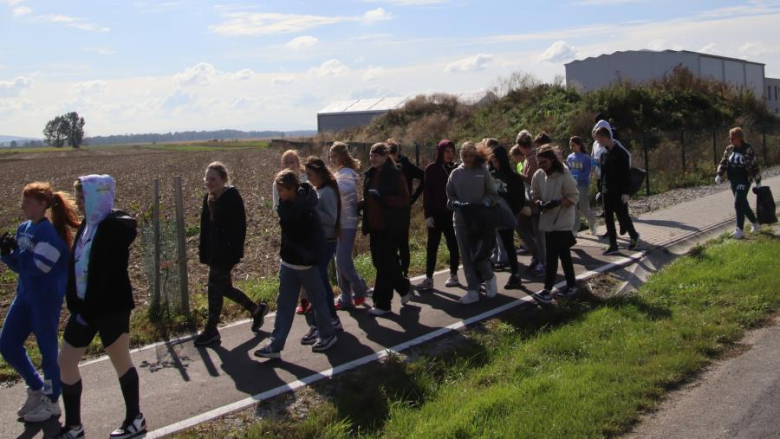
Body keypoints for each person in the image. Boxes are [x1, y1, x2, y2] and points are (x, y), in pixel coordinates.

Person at [57, 175, 145, 439]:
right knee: (65, 362)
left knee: (120, 362)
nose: (80, 203)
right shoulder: (87, 226)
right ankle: (74, 426)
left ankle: (135, 419)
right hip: (84, 311)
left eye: (84, 197)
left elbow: (106, 275)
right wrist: (75, 304)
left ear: (98, 196)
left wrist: (87, 307)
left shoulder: (112, 229)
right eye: (78, 197)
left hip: (110, 308)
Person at [0, 183, 78, 423]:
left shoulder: (51, 236)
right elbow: (20, 268)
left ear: (43, 204)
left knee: (47, 352)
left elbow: (37, 268)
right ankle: (36, 387)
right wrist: (5, 253)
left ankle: (52, 401)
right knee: (7, 344)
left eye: (27, 201)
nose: (22, 205)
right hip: (24, 298)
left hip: (44, 302)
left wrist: (16, 254)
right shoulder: (24, 228)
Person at [254, 170, 337, 358]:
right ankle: (276, 344)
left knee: (318, 301)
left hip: (307, 265)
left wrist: (309, 258)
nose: (279, 194)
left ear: (292, 189)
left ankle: (327, 334)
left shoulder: (307, 209)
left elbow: (317, 238)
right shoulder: (285, 206)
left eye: (282, 190)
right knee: (284, 304)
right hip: (289, 263)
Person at [196, 162, 268, 346]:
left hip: (226, 254)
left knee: (214, 289)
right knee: (224, 288)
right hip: (214, 253)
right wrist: (204, 253)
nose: (209, 182)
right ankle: (256, 310)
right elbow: (205, 230)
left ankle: (211, 330)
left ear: (223, 179)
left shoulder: (232, 198)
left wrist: (232, 252)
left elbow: (239, 228)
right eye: (207, 179)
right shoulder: (209, 198)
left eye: (213, 179)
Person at [362, 143, 412, 316]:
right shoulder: (371, 174)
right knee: (381, 262)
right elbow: (368, 198)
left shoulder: (395, 174)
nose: (372, 158)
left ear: (385, 156)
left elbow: (405, 200)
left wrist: (384, 199)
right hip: (375, 226)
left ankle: (383, 303)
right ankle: (404, 287)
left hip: (390, 227)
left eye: (376, 155)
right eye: (371, 155)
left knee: (384, 264)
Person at [446, 142, 499, 305]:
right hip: (461, 221)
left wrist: (484, 203)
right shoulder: (455, 174)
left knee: (479, 255)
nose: (467, 159)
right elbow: (450, 198)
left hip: (481, 221)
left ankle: (489, 277)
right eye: (464, 156)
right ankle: (473, 290)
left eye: (470, 155)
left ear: (475, 155)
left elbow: (493, 194)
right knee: (467, 256)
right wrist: (456, 204)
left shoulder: (483, 171)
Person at [530, 145, 580, 304]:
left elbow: (573, 197)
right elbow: (534, 192)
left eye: (544, 162)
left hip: (562, 220)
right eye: (539, 163)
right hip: (547, 220)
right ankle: (572, 286)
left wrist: (557, 202)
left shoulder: (564, 175)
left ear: (552, 160)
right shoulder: (539, 175)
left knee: (551, 255)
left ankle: (547, 290)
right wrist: (538, 202)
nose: (541, 166)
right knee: (565, 255)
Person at [328, 142, 371, 310]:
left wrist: (329, 182)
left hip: (348, 222)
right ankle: (346, 296)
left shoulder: (348, 174)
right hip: (338, 222)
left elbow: (344, 189)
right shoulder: (338, 173)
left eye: (335, 156)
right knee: (340, 262)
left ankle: (360, 287)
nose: (332, 159)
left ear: (343, 157)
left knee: (343, 262)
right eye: (331, 156)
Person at [303, 156, 343, 333]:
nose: (308, 178)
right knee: (321, 279)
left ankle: (331, 317)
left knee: (319, 278)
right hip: (320, 240)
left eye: (310, 174)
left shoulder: (327, 192)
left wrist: (313, 211)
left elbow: (332, 218)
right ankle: (329, 316)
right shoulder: (318, 189)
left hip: (327, 240)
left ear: (319, 173)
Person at [416, 139, 460, 291]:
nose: (449, 154)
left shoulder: (456, 168)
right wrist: (428, 215)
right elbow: (427, 194)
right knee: (432, 247)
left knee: (453, 245)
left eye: (451, 151)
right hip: (435, 215)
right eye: (446, 151)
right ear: (440, 152)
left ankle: (454, 274)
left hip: (452, 213)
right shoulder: (431, 169)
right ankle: (429, 278)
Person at [271, 150, 311, 315]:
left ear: (298, 163)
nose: (289, 164)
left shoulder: (305, 180)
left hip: (306, 228)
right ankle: (302, 300)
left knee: (307, 265)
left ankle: (310, 299)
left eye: (292, 161)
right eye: (286, 162)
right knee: (293, 264)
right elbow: (276, 206)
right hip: (289, 228)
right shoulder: (277, 183)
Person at [595, 127, 640, 255]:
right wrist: (600, 190)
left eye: (599, 140)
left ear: (605, 137)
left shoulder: (621, 154)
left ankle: (634, 236)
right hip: (606, 191)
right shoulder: (604, 154)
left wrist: (626, 192)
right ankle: (613, 245)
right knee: (608, 218)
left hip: (619, 191)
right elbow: (603, 174)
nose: (598, 143)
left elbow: (626, 174)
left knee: (622, 216)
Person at [488, 145, 524, 289]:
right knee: (489, 245)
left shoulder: (513, 177)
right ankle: (485, 274)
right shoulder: (490, 175)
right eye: (492, 161)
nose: (494, 164)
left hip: (507, 216)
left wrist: (512, 213)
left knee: (508, 245)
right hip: (492, 215)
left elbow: (519, 199)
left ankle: (515, 274)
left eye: (496, 161)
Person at [715, 127, 762, 239]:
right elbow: (724, 162)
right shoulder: (729, 149)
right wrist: (719, 174)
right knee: (743, 203)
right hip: (733, 179)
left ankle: (739, 230)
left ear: (740, 138)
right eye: (730, 138)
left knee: (738, 202)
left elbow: (754, 165)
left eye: (733, 138)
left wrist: (758, 181)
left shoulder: (748, 149)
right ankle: (755, 223)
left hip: (744, 179)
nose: (731, 140)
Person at [387, 139, 424, 277]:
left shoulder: (405, 165)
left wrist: (413, 197)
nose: (389, 157)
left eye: (391, 154)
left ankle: (404, 271)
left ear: (396, 153)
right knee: (389, 241)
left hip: (403, 209)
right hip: (389, 209)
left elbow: (424, 176)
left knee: (402, 241)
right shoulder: (384, 167)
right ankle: (395, 268)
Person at [514, 130, 546, 276]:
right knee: (521, 226)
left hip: (535, 200)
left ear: (520, 146)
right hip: (529, 200)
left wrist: (517, 176)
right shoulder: (529, 158)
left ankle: (543, 262)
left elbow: (531, 180)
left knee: (538, 233)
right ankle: (537, 256)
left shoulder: (532, 159)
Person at [566, 136, 598, 236]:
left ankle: (592, 223)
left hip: (582, 185)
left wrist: (577, 177)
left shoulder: (585, 157)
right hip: (572, 186)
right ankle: (575, 229)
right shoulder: (569, 157)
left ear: (579, 145)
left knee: (584, 207)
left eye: (573, 145)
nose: (571, 147)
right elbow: (567, 170)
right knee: (573, 208)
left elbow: (587, 172)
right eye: (570, 145)